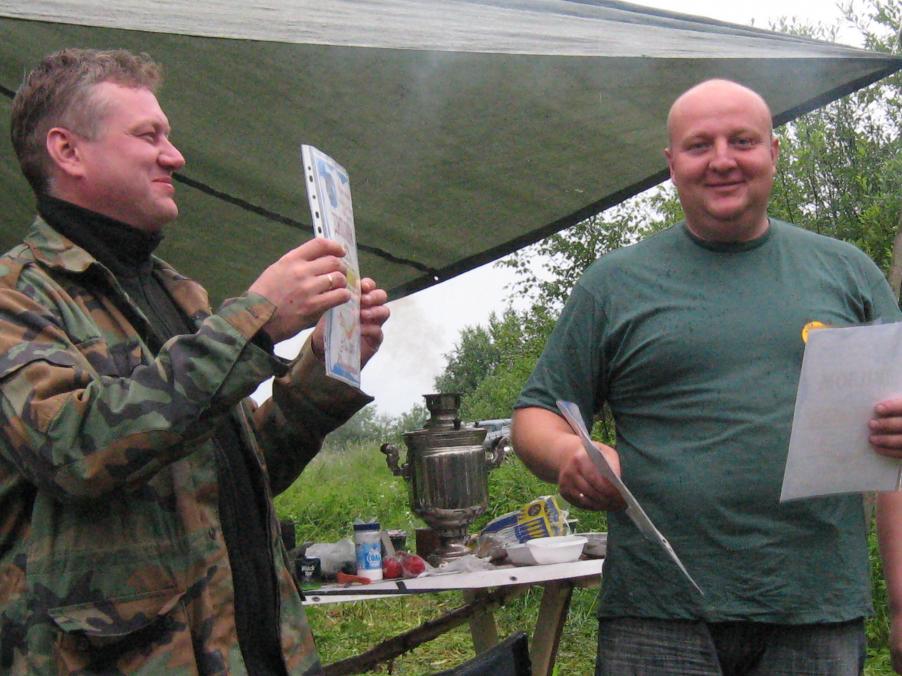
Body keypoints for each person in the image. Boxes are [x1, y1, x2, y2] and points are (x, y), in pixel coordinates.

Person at [0, 48, 390, 674]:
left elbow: (233, 475)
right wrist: (256, 321)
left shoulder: (178, 293)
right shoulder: (17, 297)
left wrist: (321, 366)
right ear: (67, 151)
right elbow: (73, 450)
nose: (175, 156)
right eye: (148, 135)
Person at [512, 78, 902, 675]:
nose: (722, 160)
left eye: (742, 141)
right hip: (656, 614)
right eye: (700, 146)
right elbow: (535, 416)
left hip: (816, 610)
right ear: (672, 164)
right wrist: (570, 454)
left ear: (773, 152)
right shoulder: (614, 284)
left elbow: (895, 457)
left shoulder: (849, 273)